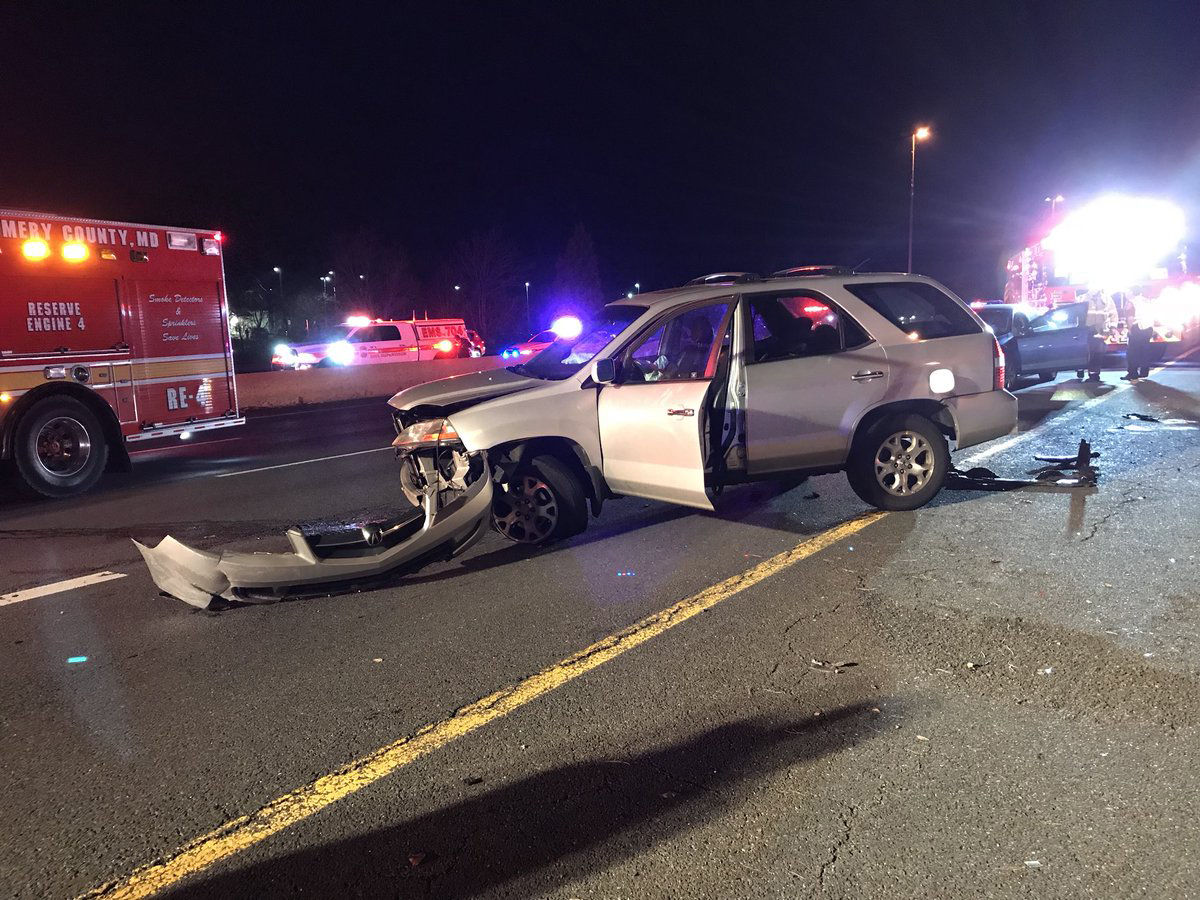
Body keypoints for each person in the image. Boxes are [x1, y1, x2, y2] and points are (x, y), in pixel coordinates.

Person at [1084, 288, 1117, 382]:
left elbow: (1113, 314)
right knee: (1086, 353)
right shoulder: (1083, 298)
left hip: (1101, 332)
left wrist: (1113, 327)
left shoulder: (1107, 299)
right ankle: (1082, 369)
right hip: (1087, 331)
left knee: (1097, 353)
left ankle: (1094, 374)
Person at [1123, 286, 1153, 381]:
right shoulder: (1146, 300)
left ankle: (1132, 373)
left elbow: (1130, 317)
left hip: (1137, 328)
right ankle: (1144, 372)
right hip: (1148, 328)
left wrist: (1129, 329)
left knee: (1132, 352)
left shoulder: (1131, 302)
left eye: (1127, 291)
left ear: (1132, 292)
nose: (1125, 293)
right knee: (1144, 351)